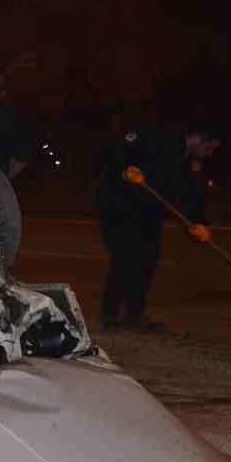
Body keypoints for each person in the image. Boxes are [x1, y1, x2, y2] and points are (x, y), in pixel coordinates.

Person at [93, 105, 218, 330]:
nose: (210, 153)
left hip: (147, 210)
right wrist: (124, 170)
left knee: (147, 260)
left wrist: (199, 221)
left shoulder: (187, 161)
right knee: (125, 257)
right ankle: (110, 314)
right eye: (209, 148)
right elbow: (115, 150)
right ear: (197, 139)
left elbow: (190, 194)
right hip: (118, 204)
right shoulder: (156, 136)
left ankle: (135, 314)